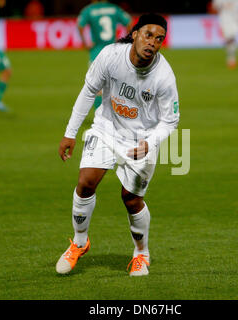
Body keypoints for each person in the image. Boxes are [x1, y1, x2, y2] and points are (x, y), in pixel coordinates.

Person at [56, 13, 180, 277]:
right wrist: (70, 133)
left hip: (141, 139)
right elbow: (89, 91)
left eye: (159, 39)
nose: (153, 43)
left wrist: (151, 142)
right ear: (135, 34)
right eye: (148, 35)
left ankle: (141, 253)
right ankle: (79, 242)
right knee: (85, 182)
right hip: (106, 129)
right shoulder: (111, 55)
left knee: (131, 199)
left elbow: (170, 121)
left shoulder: (164, 77)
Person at [77, 0, 132, 110]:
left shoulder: (89, 10)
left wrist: (85, 43)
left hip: (97, 51)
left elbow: (80, 24)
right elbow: (129, 21)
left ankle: (99, 116)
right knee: (118, 83)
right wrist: (125, 40)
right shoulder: (114, 8)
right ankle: (120, 114)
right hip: (114, 51)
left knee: (96, 86)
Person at [212, 0, 238, 69]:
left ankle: (232, 59)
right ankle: (230, 57)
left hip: (235, 20)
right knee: (228, 39)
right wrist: (223, 6)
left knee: (232, 38)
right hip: (224, 20)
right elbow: (214, 6)